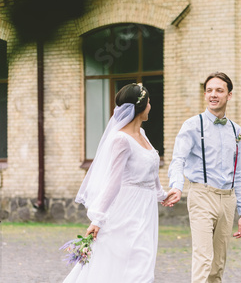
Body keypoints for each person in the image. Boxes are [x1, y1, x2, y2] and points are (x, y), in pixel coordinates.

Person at [63, 83, 169, 283]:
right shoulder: (121, 139)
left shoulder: (143, 136)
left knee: (143, 261)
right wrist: (98, 219)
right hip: (126, 208)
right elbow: (113, 182)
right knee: (128, 261)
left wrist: (162, 194)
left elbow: (151, 170)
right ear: (142, 105)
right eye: (149, 102)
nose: (150, 106)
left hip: (146, 209)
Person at [163, 72, 241, 283]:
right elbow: (178, 160)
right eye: (209, 90)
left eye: (219, 90)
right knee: (204, 258)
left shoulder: (235, 130)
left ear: (229, 95)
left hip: (228, 199)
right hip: (202, 195)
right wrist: (176, 186)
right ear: (205, 95)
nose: (213, 95)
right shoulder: (192, 125)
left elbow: (239, 173)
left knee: (218, 263)